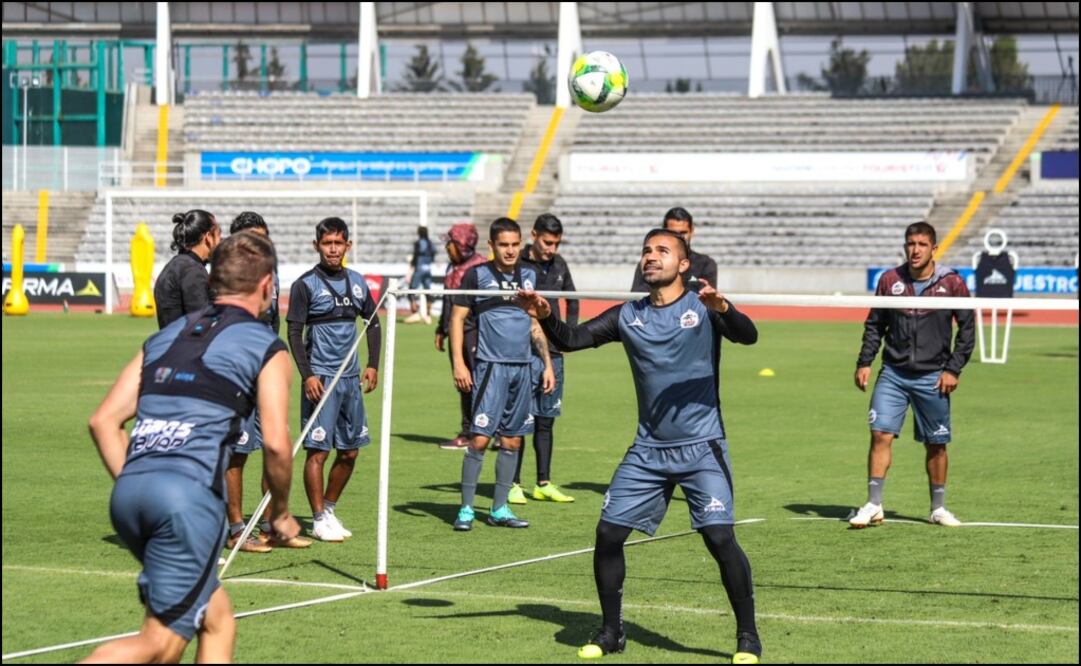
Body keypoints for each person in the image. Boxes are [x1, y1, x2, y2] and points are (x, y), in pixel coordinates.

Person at [515, 229, 762, 663]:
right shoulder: (627, 316)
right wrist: (545, 315)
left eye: (662, 251)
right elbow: (570, 341)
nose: (651, 257)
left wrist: (726, 309)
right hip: (648, 452)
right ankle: (612, 632)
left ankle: (747, 636)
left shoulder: (702, 307)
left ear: (683, 264)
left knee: (719, 538)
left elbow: (748, 336)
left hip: (703, 446)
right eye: (647, 250)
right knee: (608, 534)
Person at [83, 231, 301, 663]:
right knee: (158, 641)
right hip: (189, 501)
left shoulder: (165, 337)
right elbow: (276, 444)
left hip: (129, 492)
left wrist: (142, 478)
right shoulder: (267, 348)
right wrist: (279, 514)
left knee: (215, 618)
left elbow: (103, 421)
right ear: (267, 285)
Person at [850, 221, 975, 529]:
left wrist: (952, 369)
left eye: (921, 244)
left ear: (934, 248)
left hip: (933, 376)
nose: (915, 250)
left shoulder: (953, 283)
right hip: (893, 373)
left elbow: (968, 329)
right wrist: (865, 361)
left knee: (936, 444)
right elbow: (875, 324)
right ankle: (874, 503)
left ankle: (938, 508)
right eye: (910, 244)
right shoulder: (890, 279)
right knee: (880, 434)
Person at [448, 217, 555, 531]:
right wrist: (458, 363)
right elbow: (457, 319)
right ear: (491, 246)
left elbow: (535, 322)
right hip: (490, 368)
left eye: (514, 244)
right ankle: (466, 510)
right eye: (503, 245)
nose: (510, 251)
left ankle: (499, 508)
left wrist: (546, 363)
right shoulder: (477, 274)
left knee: (512, 441)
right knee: (480, 439)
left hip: (524, 368)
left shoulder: (530, 275)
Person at [287, 217, 381, 542]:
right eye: (327, 244)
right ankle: (316, 518)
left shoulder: (357, 282)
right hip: (321, 379)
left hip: (351, 379)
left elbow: (373, 323)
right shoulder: (304, 285)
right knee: (318, 451)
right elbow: (295, 332)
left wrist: (373, 364)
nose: (332, 249)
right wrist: (307, 374)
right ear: (316, 246)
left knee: (350, 451)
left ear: (348, 246)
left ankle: (328, 510)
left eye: (338, 243)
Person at [223, 212, 311, 553]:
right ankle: (235, 530)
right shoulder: (224, 282)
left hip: (265, 372)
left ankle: (269, 524)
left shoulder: (270, 277)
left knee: (276, 448)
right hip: (236, 374)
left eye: (264, 237)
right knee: (238, 453)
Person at [509, 213, 579, 504]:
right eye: (547, 242)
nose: (552, 249)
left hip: (553, 352)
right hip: (522, 352)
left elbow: (573, 299)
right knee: (519, 420)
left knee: (546, 420)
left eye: (556, 243)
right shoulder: (518, 264)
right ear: (534, 235)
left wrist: (569, 336)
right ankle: (512, 483)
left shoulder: (559, 264)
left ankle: (543, 483)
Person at [435, 222, 487, 450]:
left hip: (475, 333)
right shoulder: (453, 268)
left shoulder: (481, 269)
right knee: (463, 382)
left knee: (480, 383)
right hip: (458, 333)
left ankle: (481, 431)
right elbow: (449, 303)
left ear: (462, 245)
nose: (447, 247)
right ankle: (470, 430)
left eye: (451, 243)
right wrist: (441, 329)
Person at [154, 209, 221, 329]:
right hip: (185, 346)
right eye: (218, 234)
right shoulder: (192, 271)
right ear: (208, 238)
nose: (221, 241)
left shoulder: (177, 264)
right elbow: (201, 325)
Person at [630, 207, 717, 293]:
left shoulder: (705, 264)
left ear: (692, 231)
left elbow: (705, 300)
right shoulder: (650, 263)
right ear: (663, 232)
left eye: (683, 233)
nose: (679, 238)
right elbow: (638, 297)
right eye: (673, 233)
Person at [404, 226, 437, 324]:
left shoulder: (418, 243)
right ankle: (428, 316)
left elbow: (416, 254)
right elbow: (434, 254)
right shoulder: (431, 243)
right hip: (428, 269)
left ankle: (415, 314)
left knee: (412, 290)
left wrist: (412, 263)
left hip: (419, 268)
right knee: (428, 292)